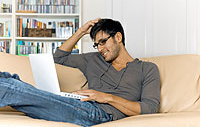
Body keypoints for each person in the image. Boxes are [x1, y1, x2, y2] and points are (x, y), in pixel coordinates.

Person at [0, 18, 160, 126]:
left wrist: (106, 98)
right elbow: (59, 58)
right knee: (13, 85)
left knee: (11, 88)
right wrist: (81, 32)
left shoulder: (147, 68)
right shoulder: (94, 59)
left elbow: (149, 108)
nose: (100, 49)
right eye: (96, 44)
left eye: (103, 42)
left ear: (118, 37)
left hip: (100, 114)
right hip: (80, 105)